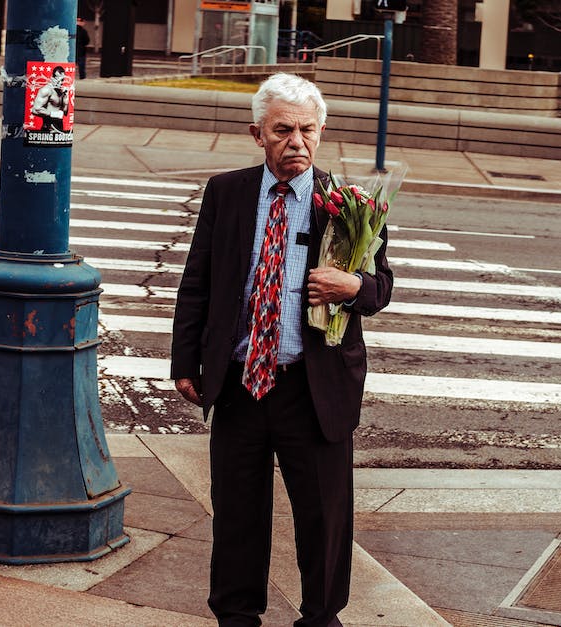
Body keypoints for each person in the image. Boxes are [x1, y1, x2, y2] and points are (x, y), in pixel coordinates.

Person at [171, 73, 393, 627]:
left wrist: (354, 289)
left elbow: (382, 285)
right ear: (257, 134)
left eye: (307, 129)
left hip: (312, 388)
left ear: (321, 133)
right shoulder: (226, 192)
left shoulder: (349, 203)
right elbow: (197, 282)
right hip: (242, 383)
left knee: (324, 518)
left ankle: (321, 617)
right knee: (238, 515)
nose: (297, 141)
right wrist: (186, 362)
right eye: (283, 130)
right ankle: (237, 616)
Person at [30, 65, 70, 131]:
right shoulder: (46, 90)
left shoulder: (61, 91)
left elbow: (64, 113)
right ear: (52, 78)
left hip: (59, 128)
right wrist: (53, 114)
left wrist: (66, 100)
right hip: (48, 128)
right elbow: (35, 110)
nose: (60, 83)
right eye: (58, 80)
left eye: (62, 80)